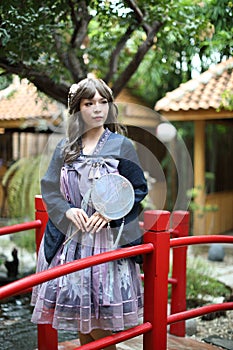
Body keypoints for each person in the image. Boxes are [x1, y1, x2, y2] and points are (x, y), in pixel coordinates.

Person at [31, 77, 148, 349]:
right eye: (89, 103)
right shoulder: (66, 147)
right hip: (71, 244)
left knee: (100, 325)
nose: (97, 109)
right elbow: (49, 189)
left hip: (106, 245)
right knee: (82, 320)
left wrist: (111, 213)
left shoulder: (121, 146)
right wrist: (68, 211)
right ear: (78, 109)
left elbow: (138, 189)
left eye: (103, 102)